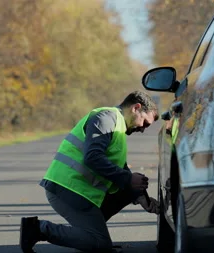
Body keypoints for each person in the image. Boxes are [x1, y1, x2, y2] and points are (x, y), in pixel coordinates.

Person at [20, 90, 161, 253]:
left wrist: (141, 197)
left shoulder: (118, 129)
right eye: (145, 123)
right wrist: (128, 179)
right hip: (66, 188)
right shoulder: (106, 118)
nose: (143, 129)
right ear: (136, 108)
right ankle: (38, 229)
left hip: (81, 191)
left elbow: (121, 170)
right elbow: (92, 157)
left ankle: (90, 232)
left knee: (131, 185)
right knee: (100, 244)